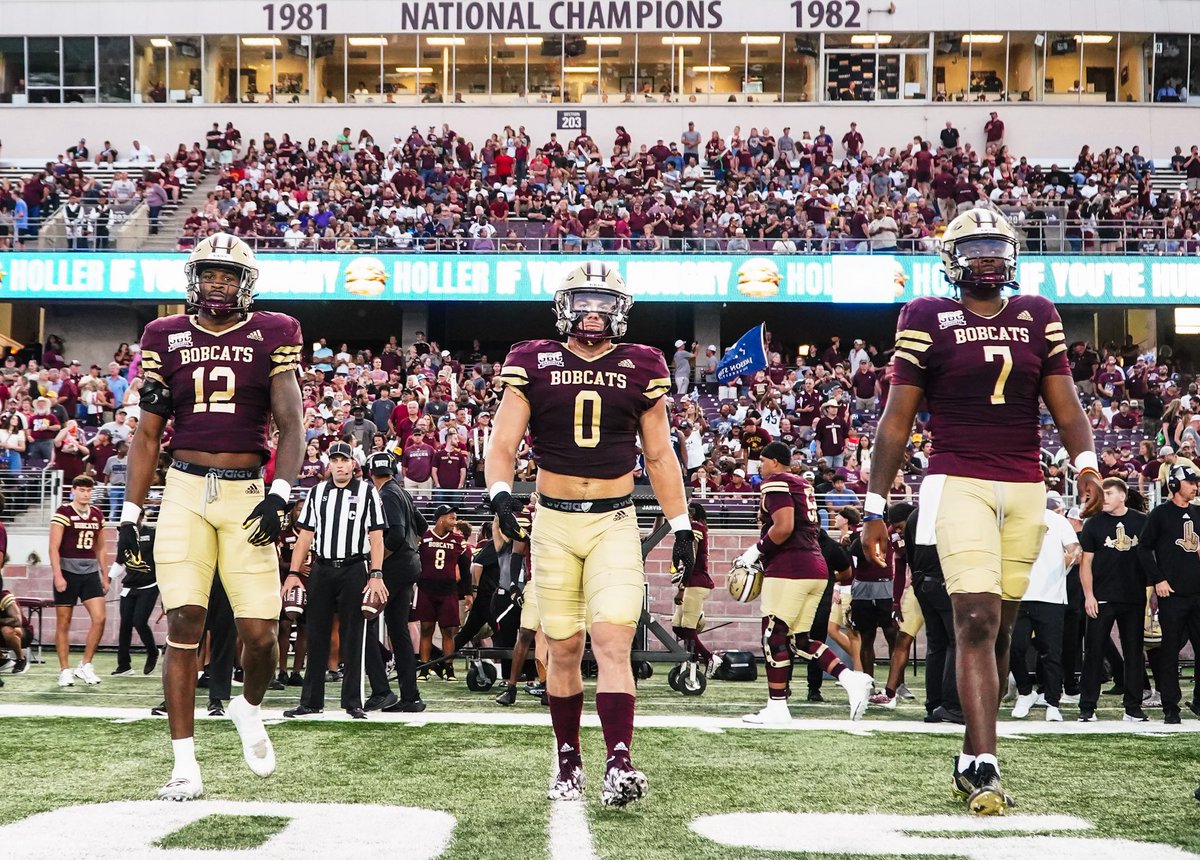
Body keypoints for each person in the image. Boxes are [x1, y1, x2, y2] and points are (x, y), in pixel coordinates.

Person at [863, 209, 1101, 815]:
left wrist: (1087, 462)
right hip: (957, 478)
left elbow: (1065, 403)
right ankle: (988, 764)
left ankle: (971, 754)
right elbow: (897, 418)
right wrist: (873, 503)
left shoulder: (1037, 313)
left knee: (1001, 627)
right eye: (975, 246)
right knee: (973, 618)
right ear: (952, 256)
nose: (989, 256)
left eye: (997, 244)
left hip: (1024, 483)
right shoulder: (924, 315)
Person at [485, 260, 695, 807]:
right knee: (562, 647)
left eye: (604, 302)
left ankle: (620, 761)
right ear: (565, 306)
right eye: (584, 300)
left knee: (613, 639)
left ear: (620, 310)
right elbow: (504, 441)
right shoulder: (531, 359)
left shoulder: (641, 363)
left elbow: (660, 453)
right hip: (552, 521)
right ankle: (568, 763)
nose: (594, 312)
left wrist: (682, 524)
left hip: (614, 519)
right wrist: (500, 495)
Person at [118, 233, 306, 801]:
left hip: (248, 491)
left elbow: (291, 425)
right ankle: (184, 764)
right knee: (183, 628)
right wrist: (130, 512)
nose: (218, 283)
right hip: (182, 491)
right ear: (193, 280)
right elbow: (147, 435)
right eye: (209, 273)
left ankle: (249, 708)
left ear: (245, 283)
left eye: (228, 274)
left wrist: (279, 494)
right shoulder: (164, 336)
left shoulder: (273, 331)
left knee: (261, 635)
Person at [737, 442, 874, 724]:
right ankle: (851, 680)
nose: (760, 467)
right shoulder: (802, 484)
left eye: (762, 461)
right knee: (800, 641)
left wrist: (756, 550)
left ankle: (777, 707)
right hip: (815, 567)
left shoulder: (776, 482)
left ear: (774, 462)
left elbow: (784, 526)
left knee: (772, 636)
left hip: (790, 568)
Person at [281, 442, 387, 719]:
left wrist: (376, 574)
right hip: (322, 568)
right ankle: (310, 702)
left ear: (354, 463)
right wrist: (293, 573)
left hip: (354, 567)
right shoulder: (317, 492)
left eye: (345, 460)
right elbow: (305, 535)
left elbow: (376, 536)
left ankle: (353, 702)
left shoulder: (367, 492)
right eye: (335, 460)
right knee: (316, 634)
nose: (340, 465)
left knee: (354, 636)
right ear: (329, 464)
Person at [1078, 477, 1150, 722]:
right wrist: (1089, 595)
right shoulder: (1093, 524)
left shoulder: (1143, 522)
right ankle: (1087, 706)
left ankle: (1133, 707)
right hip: (1102, 598)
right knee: (1094, 653)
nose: (1104, 498)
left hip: (1134, 597)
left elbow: (1152, 559)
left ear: (1123, 495)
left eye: (1108, 493)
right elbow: (1085, 563)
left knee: (1134, 653)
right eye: (1102, 493)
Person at [362, 451, 427, 712]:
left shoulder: (385, 494)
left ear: (369, 473)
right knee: (398, 631)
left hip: (393, 567)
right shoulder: (401, 492)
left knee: (363, 625)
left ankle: (381, 690)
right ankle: (410, 697)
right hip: (409, 565)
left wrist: (375, 564)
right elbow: (422, 527)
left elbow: (396, 535)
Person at [1136, 463, 1200, 726]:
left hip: (1198, 592)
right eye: (1191, 482)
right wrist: (1158, 578)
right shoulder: (1160, 514)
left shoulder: (1198, 513)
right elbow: (1143, 548)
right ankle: (1170, 707)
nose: (1196, 486)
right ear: (1174, 484)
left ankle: (1198, 702)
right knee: (1170, 650)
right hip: (1172, 593)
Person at [1008, 496, 1081, 722]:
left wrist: (1073, 555)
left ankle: (1052, 702)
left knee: (1052, 653)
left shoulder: (1057, 521)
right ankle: (1025, 692)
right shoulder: (1012, 519)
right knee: (1014, 647)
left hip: (1051, 597)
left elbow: (1075, 548)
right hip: (1018, 594)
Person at [50, 475, 107, 687]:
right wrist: (57, 574)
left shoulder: (97, 514)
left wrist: (105, 574)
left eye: (88, 490)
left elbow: (101, 547)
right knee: (64, 622)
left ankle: (85, 664)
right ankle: (64, 669)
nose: (85, 494)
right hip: (67, 570)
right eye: (82, 490)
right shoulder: (63, 513)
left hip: (90, 570)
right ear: (73, 490)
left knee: (99, 618)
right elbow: (53, 547)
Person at [414, 504, 469, 682]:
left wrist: (468, 593)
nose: (454, 522)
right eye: (451, 518)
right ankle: (424, 668)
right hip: (427, 589)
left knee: (448, 631)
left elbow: (465, 569)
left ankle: (448, 668)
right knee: (426, 629)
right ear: (440, 518)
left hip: (448, 590)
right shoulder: (424, 538)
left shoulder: (458, 540)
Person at [671, 501, 715, 672]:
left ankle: (708, 658)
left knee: (688, 628)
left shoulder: (695, 527)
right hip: (692, 582)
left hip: (696, 583)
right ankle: (693, 659)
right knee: (677, 626)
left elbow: (692, 558)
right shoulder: (697, 527)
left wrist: (681, 588)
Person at [112, 520, 159, 676]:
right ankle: (123, 665)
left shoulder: (152, 533)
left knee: (139, 621)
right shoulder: (124, 534)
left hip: (149, 585)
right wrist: (108, 579)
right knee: (125, 625)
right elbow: (120, 560)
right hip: (130, 586)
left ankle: (153, 652)